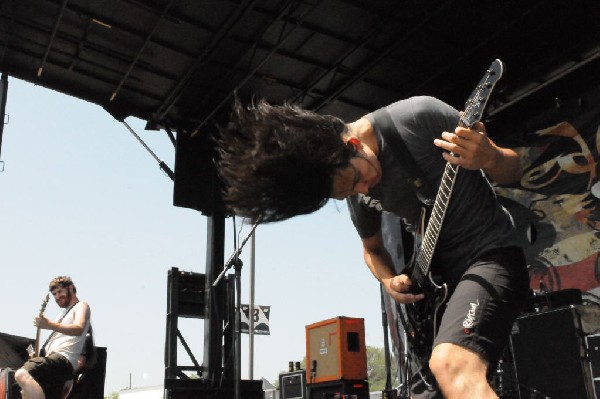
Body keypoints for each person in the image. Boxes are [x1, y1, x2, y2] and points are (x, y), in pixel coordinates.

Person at [217, 95, 530, 399]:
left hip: (492, 255)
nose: (363, 190)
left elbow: (514, 169)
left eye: (356, 179)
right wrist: (388, 280)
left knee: (452, 365)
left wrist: (490, 157)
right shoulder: (357, 194)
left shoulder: (418, 117)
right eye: (349, 192)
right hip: (443, 287)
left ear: (351, 144)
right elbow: (372, 250)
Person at [15, 276, 92, 399]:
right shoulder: (60, 315)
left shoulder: (81, 306)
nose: (57, 297)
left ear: (71, 288)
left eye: (60, 291)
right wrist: (39, 357)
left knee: (22, 374)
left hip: (63, 359)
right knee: (26, 393)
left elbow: (79, 328)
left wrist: (49, 325)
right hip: (56, 362)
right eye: (54, 294)